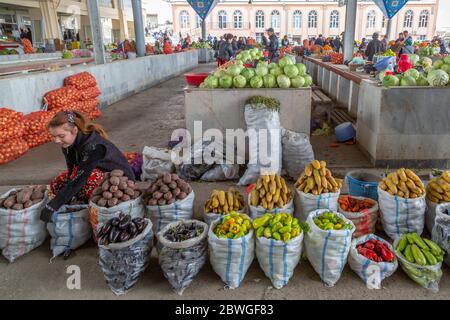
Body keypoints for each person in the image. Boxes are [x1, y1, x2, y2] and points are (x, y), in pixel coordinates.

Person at [39, 111, 134, 223]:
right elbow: (71, 170)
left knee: (88, 179)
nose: (56, 140)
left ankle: (91, 205)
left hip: (119, 183)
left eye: (61, 136)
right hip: (92, 174)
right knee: (58, 182)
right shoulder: (67, 144)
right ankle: (79, 201)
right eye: (53, 136)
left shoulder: (94, 146)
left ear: (74, 130)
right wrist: (66, 198)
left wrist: (53, 206)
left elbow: (80, 178)